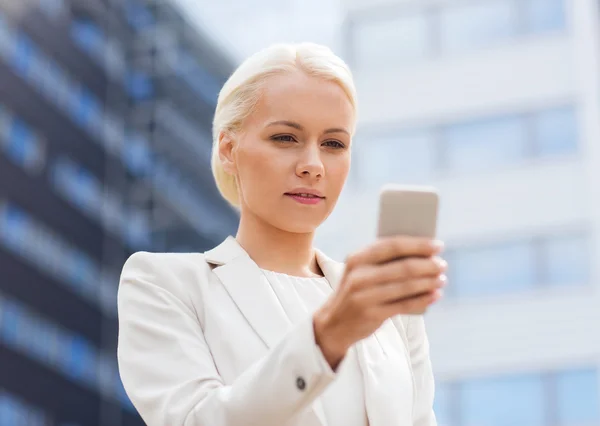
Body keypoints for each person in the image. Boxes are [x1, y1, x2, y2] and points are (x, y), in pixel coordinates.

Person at [117, 42, 447, 426]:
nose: (313, 165)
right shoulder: (165, 284)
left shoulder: (392, 315)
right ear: (228, 148)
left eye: (333, 144)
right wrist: (328, 336)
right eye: (286, 138)